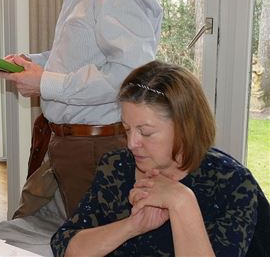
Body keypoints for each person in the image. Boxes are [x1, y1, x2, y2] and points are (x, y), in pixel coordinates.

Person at [0, 0, 162, 254]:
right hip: (70, 143)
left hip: (98, 148)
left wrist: (46, 84)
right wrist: (32, 65)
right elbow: (79, 57)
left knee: (93, 246)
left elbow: (131, 76)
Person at [51, 60, 269, 257]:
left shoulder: (231, 183)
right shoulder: (116, 166)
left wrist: (181, 201)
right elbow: (65, 246)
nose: (131, 143)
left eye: (145, 132)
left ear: (185, 128)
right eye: (127, 129)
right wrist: (132, 226)